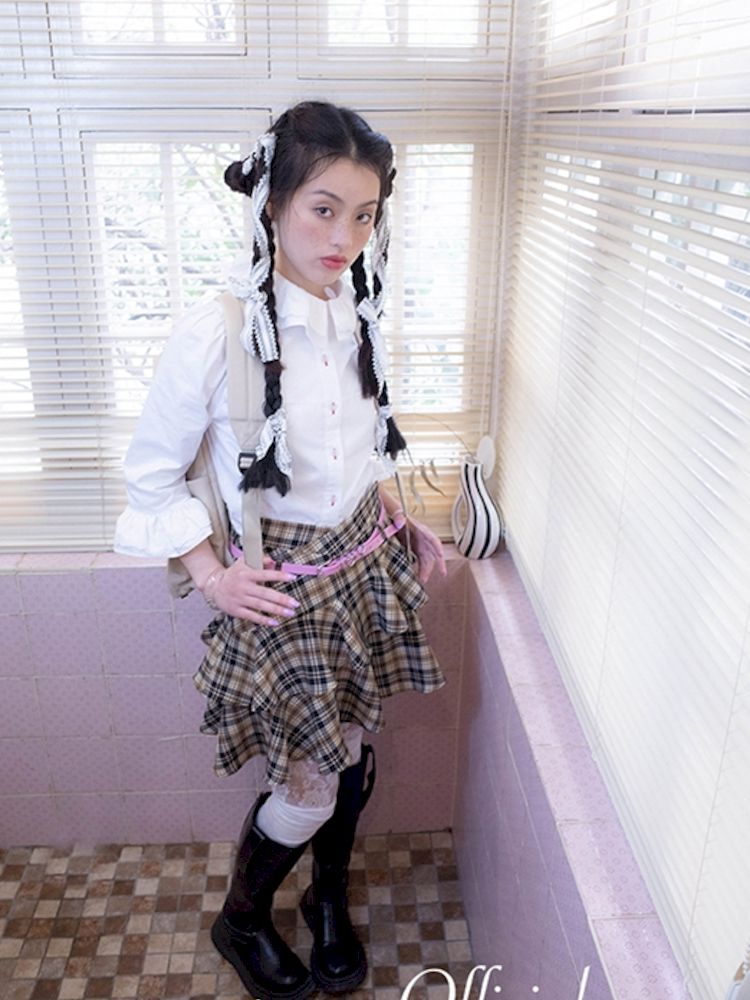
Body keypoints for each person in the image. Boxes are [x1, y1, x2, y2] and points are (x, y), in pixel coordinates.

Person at [114, 101, 446, 1000]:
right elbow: (149, 479)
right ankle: (243, 918)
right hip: (283, 588)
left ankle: (327, 897)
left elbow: (346, 450)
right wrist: (211, 576)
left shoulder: (358, 308)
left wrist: (392, 514)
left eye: (365, 214)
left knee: (353, 748)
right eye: (323, 209)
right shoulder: (217, 329)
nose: (345, 237)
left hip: (365, 564)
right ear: (273, 204)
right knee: (309, 786)